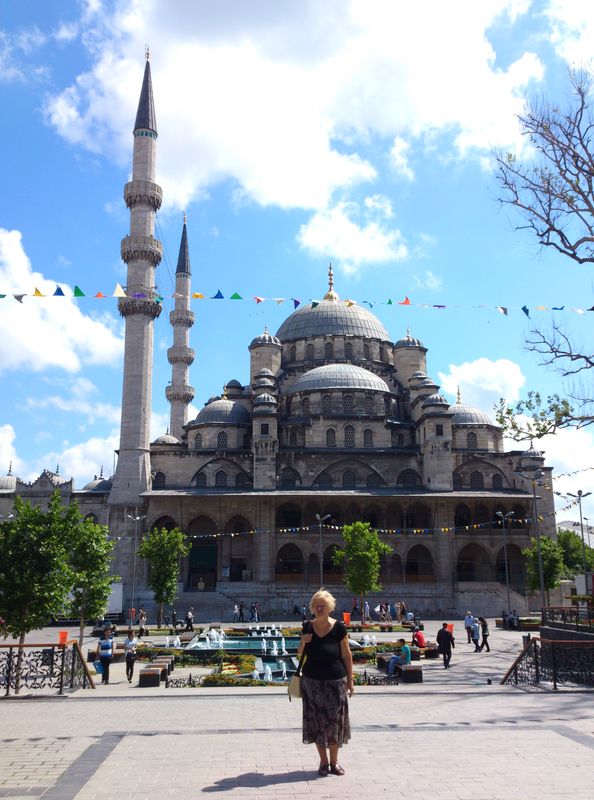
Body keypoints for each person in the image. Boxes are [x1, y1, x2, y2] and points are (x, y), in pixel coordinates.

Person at [298, 589, 353, 777]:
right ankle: (323, 762)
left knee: (334, 722)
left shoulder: (338, 628)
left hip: (335, 681)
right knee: (317, 722)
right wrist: (303, 643)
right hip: (312, 682)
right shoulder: (306, 626)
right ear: (313, 608)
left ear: (330, 608)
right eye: (316, 606)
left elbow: (346, 654)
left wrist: (350, 681)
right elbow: (300, 655)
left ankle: (334, 762)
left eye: (323, 606)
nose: (320, 608)